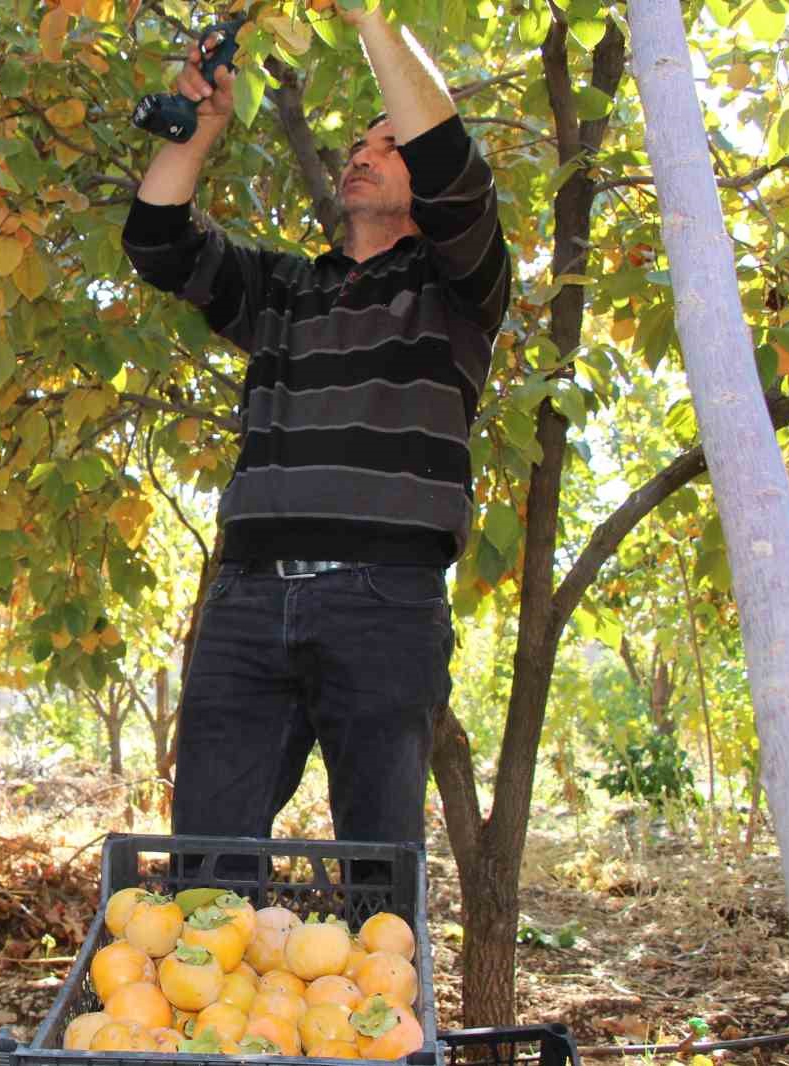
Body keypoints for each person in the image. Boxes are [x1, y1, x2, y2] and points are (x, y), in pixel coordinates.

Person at [123, 6, 510, 856]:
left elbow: (451, 161)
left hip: (385, 604)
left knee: (378, 882)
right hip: (247, 600)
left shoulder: (463, 288)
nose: (362, 155)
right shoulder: (285, 290)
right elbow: (155, 242)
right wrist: (200, 129)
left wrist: (371, 14)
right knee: (207, 880)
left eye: (387, 144)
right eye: (357, 147)